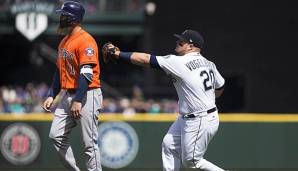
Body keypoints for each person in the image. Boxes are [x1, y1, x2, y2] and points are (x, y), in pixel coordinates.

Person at [103, 29, 226, 171]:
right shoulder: (209, 64)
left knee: (191, 161)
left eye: (181, 41)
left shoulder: (179, 62)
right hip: (196, 116)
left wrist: (118, 54)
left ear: (191, 46)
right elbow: (220, 86)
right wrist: (208, 97)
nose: (177, 42)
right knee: (169, 145)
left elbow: (145, 59)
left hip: (199, 119)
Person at [43, 1, 102, 171]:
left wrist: (77, 99)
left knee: (89, 143)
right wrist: (51, 94)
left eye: (64, 15)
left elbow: (87, 73)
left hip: (87, 94)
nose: (60, 18)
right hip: (67, 94)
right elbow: (58, 72)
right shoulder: (64, 42)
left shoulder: (86, 40)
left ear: (73, 19)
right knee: (56, 135)